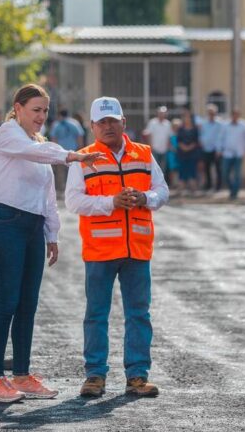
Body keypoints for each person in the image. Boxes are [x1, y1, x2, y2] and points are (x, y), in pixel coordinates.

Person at [0, 84, 101, 403]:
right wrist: (73, 156)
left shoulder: (39, 143)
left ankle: (21, 375)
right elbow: (35, 153)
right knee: (7, 301)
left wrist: (52, 234)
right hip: (2, 221)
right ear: (17, 108)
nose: (41, 116)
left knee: (27, 304)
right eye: (36, 110)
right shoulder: (7, 134)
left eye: (45, 110)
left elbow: (47, 195)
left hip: (31, 226)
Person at [65, 96, 169, 399]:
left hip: (137, 249)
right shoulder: (84, 158)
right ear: (92, 126)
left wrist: (145, 198)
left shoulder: (144, 154)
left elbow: (162, 191)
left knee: (139, 314)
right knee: (96, 315)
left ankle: (137, 376)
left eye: (113, 121)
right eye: (102, 122)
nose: (108, 126)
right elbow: (73, 201)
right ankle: (95, 376)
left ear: (123, 123)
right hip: (100, 251)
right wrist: (111, 202)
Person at [217, 109, 245, 200]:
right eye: (234, 115)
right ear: (231, 115)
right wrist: (219, 149)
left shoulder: (244, 125)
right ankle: (232, 189)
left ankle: (234, 193)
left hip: (239, 153)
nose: (235, 117)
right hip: (227, 153)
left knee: (237, 175)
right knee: (225, 174)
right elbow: (220, 138)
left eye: (237, 115)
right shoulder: (225, 125)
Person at [50, 109, 85, 190]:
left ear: (60, 115)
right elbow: (80, 136)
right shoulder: (75, 123)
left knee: (61, 173)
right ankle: (72, 189)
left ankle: (62, 190)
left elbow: (53, 138)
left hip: (60, 153)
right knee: (73, 173)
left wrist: (54, 151)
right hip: (73, 153)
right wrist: (80, 149)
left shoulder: (56, 124)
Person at [199, 104, 224, 192]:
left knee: (218, 169)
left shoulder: (220, 124)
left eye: (212, 113)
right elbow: (201, 135)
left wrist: (219, 149)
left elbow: (221, 137)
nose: (211, 114)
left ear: (215, 113)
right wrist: (202, 143)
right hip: (206, 149)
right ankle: (208, 185)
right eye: (209, 113)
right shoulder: (204, 123)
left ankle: (218, 187)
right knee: (207, 169)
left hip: (216, 150)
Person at [176, 108, 201, 195]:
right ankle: (180, 190)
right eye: (185, 117)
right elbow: (178, 140)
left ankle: (193, 190)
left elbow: (196, 141)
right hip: (182, 154)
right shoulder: (180, 129)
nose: (186, 119)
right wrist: (183, 147)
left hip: (192, 154)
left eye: (188, 117)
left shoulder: (195, 129)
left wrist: (189, 147)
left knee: (192, 172)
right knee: (182, 172)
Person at [142, 106, 171, 176]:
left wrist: (168, 147)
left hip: (164, 149)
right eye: (160, 113)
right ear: (157, 113)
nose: (162, 114)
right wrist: (150, 146)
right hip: (154, 149)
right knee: (154, 168)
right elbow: (148, 134)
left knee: (163, 168)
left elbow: (169, 136)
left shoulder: (168, 124)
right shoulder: (152, 122)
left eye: (163, 113)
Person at [167, 118, 181, 187]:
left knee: (179, 169)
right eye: (174, 126)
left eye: (177, 126)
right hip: (172, 154)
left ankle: (178, 183)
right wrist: (173, 149)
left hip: (179, 154)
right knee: (172, 169)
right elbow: (168, 143)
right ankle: (172, 184)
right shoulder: (170, 134)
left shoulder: (181, 134)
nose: (176, 127)